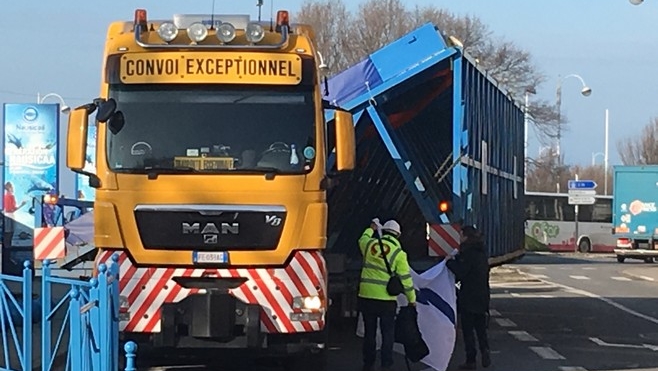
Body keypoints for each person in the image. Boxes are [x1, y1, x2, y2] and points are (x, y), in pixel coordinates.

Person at [357, 218, 416, 371]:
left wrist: (371, 229)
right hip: (386, 300)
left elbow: (362, 239)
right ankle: (386, 365)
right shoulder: (399, 254)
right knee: (387, 333)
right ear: (398, 235)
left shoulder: (369, 245)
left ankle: (368, 364)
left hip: (366, 296)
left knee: (369, 333)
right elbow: (406, 280)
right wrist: (412, 300)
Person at [446, 225, 491, 370]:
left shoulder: (467, 253)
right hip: (483, 295)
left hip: (469, 297)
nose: (459, 237)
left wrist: (449, 262)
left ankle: (471, 360)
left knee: (468, 330)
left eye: (460, 235)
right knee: (481, 329)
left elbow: (461, 272)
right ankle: (485, 350)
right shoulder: (481, 253)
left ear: (466, 236)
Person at [3, 182, 26, 250]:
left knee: (6, 237)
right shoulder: (10, 196)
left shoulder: (4, 196)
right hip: (9, 218)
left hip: (5, 217)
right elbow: (11, 209)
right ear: (9, 188)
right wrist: (22, 204)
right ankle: (7, 255)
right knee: (9, 237)